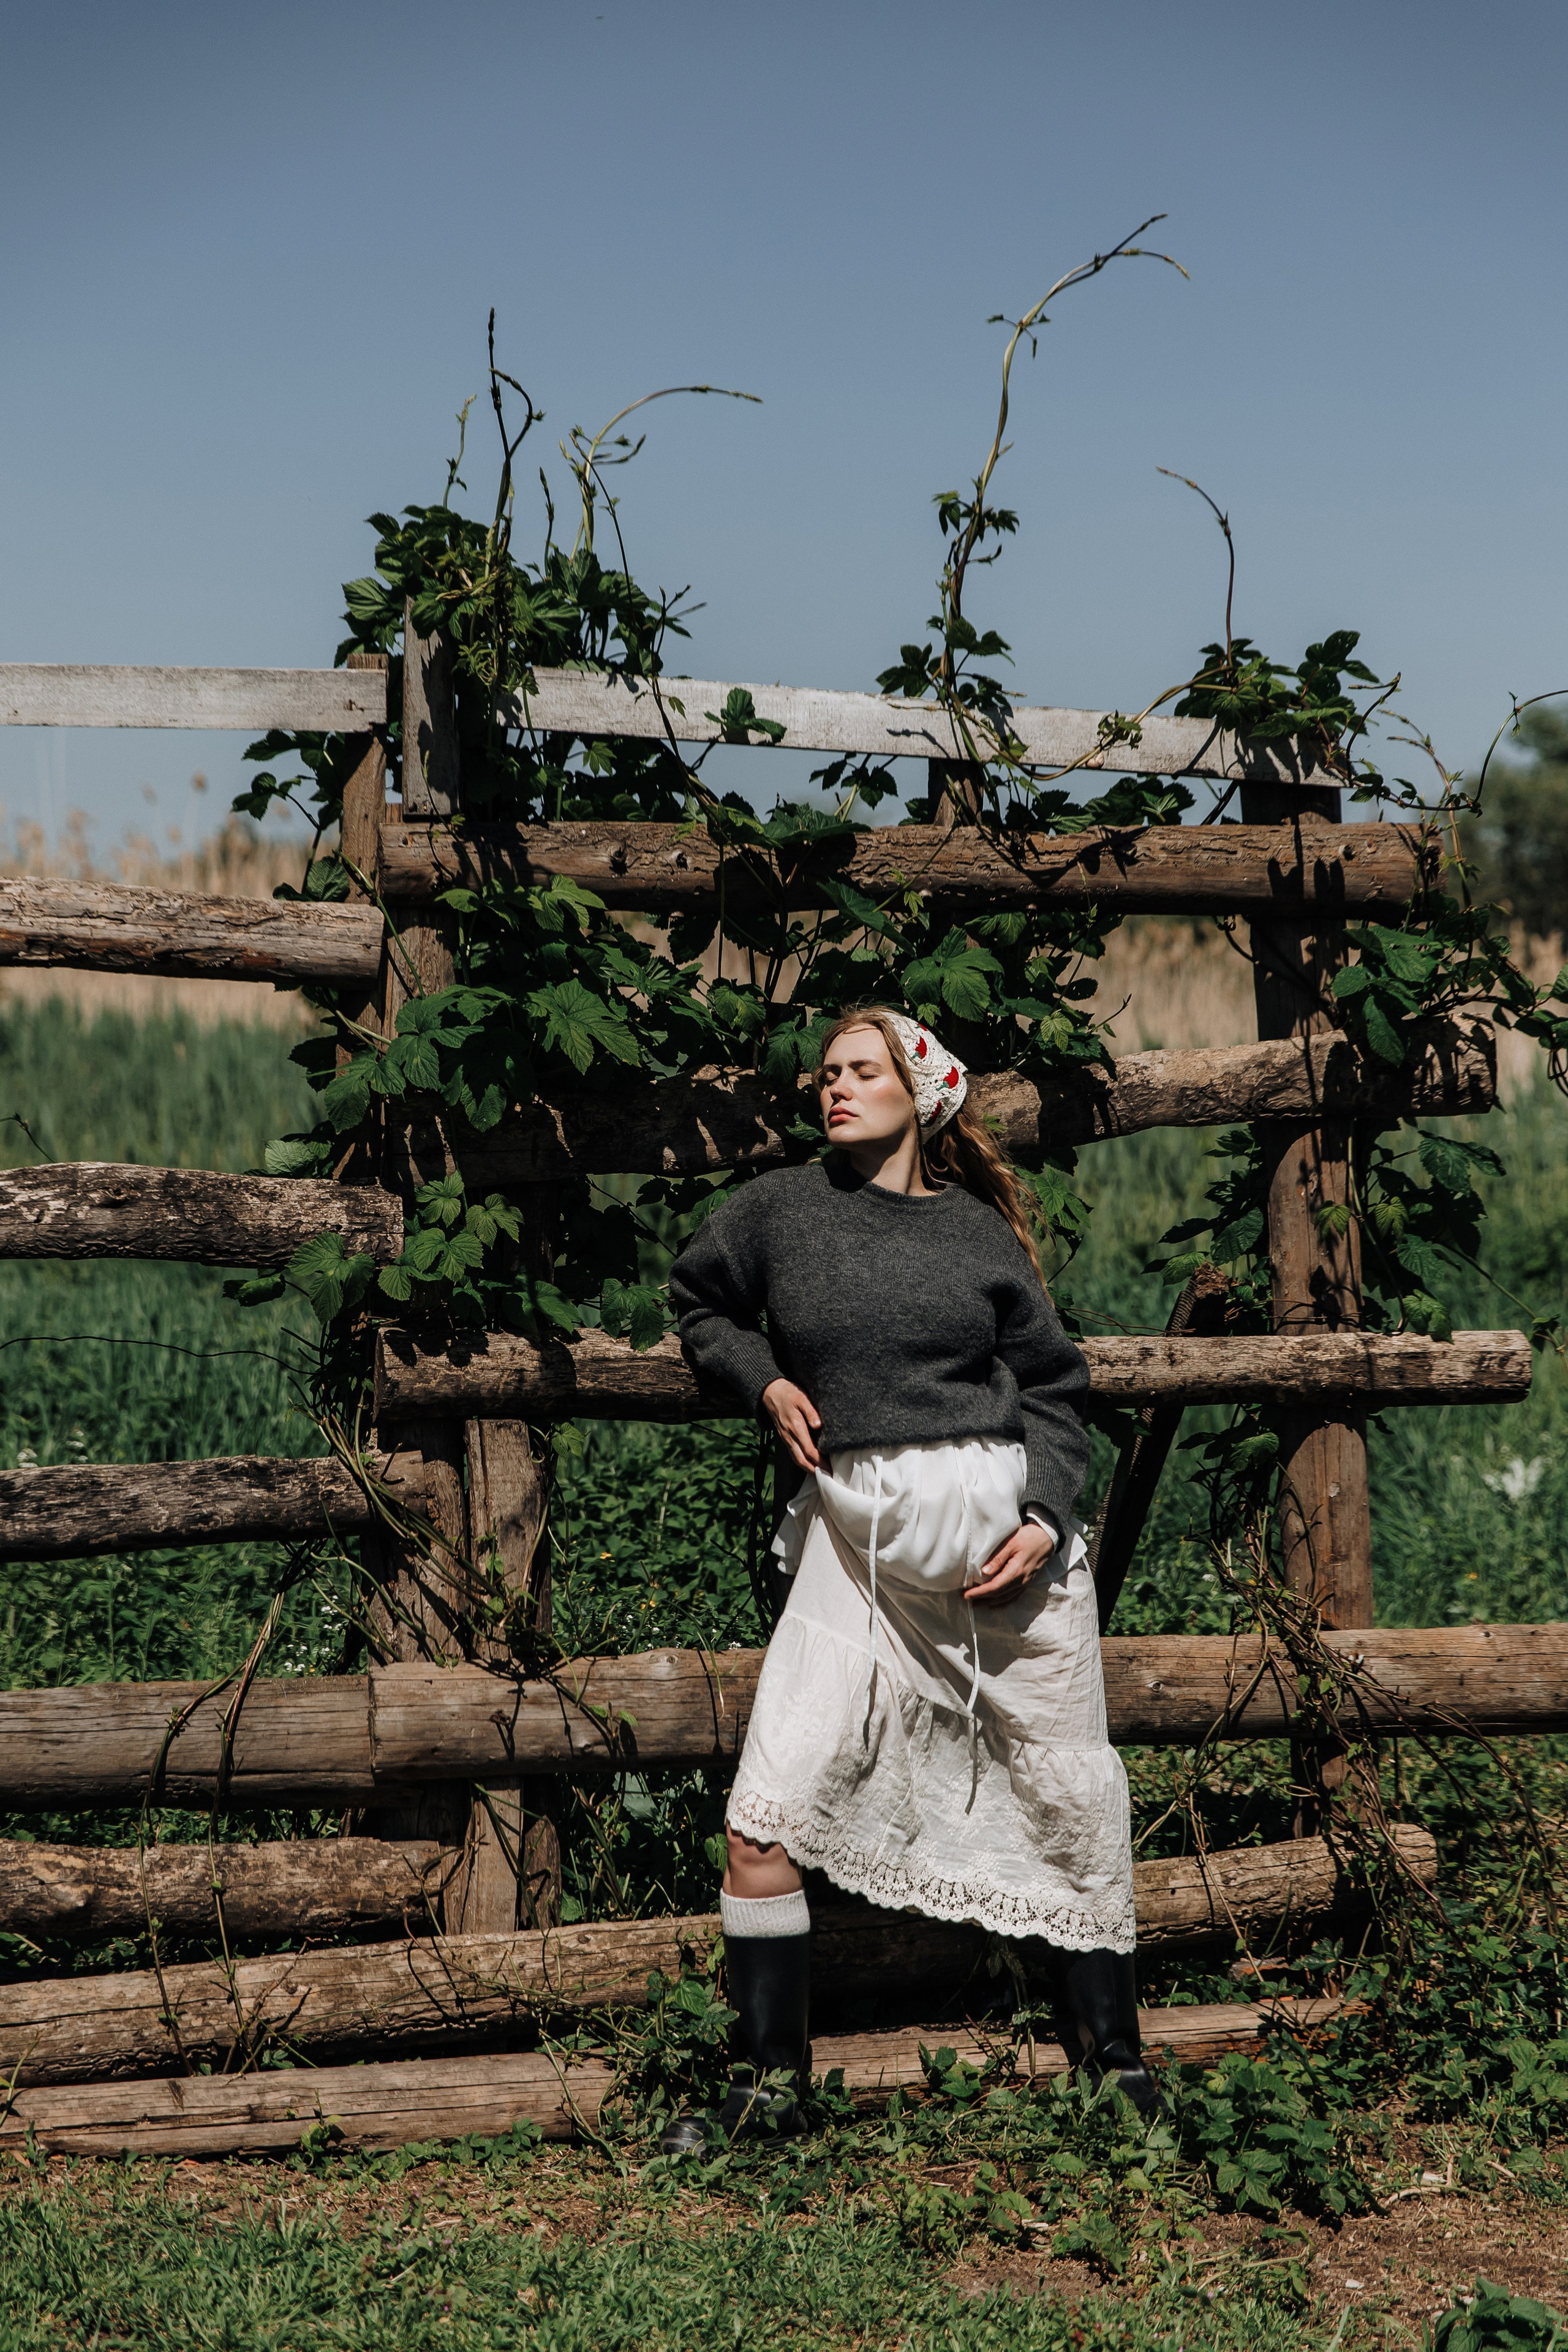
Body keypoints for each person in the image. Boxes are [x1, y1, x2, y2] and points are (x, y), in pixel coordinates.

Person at [658, 1004, 1150, 2155]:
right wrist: (761, 1380)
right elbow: (696, 1299)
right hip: (855, 1554)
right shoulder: (780, 1211)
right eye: (827, 1073)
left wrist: (1045, 1514)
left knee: (1064, 1795)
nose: (836, 1088)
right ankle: (768, 2094)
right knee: (766, 1809)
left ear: (919, 1095)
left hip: (1008, 1570)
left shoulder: (977, 1234)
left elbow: (1054, 1389)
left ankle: (1118, 2067)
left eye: (862, 1072)